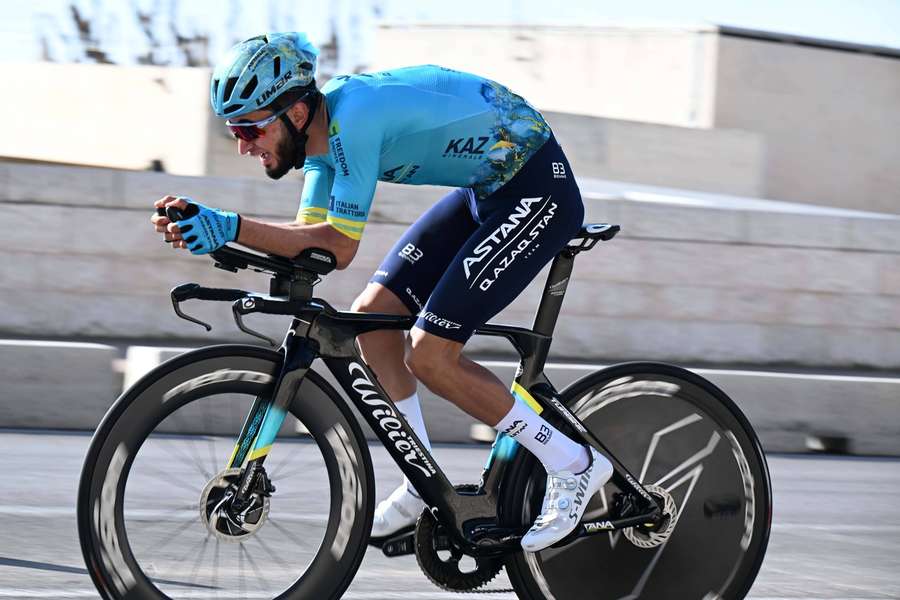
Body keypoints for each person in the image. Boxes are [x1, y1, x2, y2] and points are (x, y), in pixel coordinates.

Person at [151, 32, 612, 553]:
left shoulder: (355, 121)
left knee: (432, 356)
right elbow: (308, 246)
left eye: (248, 127)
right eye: (233, 129)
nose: (242, 144)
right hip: (486, 189)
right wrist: (213, 234)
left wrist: (231, 225)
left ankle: (574, 463)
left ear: (296, 114)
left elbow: (338, 248)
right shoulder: (321, 147)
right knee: (372, 318)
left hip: (536, 190)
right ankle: (424, 479)